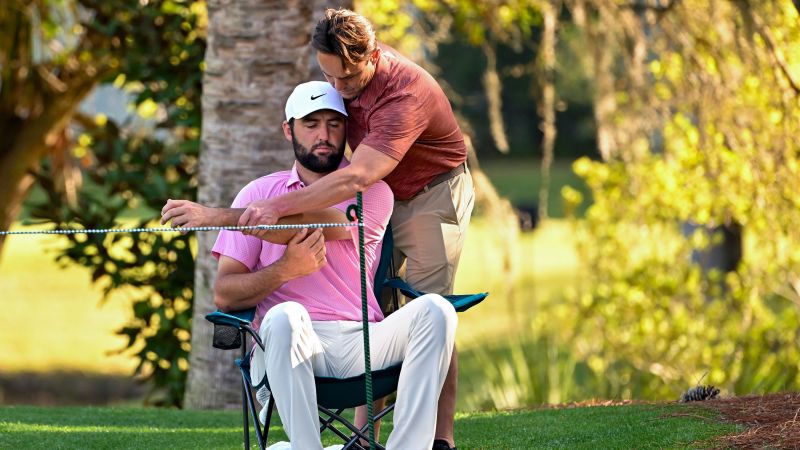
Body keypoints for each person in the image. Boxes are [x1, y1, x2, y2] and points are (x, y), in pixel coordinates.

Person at [162, 81, 457, 450]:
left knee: (437, 310)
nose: (324, 135)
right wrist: (285, 270)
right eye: (311, 123)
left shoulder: (373, 190)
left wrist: (218, 216)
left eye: (334, 124)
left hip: (360, 342)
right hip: (289, 344)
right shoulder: (255, 195)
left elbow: (323, 223)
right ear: (289, 129)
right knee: (286, 315)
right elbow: (224, 295)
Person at [236, 10, 475, 450]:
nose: (339, 89)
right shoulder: (340, 81)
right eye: (331, 77)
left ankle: (439, 440)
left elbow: (355, 178)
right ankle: (365, 441)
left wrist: (275, 206)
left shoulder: (405, 94)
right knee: (374, 305)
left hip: (428, 193)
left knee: (429, 305)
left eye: (348, 78)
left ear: (373, 55)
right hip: (377, 191)